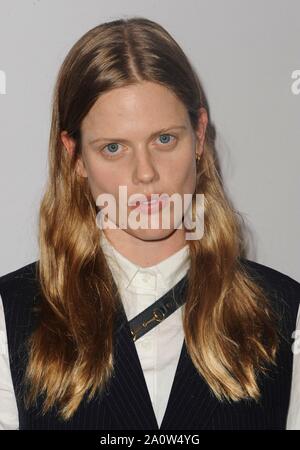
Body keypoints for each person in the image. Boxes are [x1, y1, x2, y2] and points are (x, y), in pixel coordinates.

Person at [0, 16, 299, 431]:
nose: (145, 173)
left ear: (198, 135)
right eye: (113, 147)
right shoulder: (9, 315)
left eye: (164, 139)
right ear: (76, 156)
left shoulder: (286, 313)